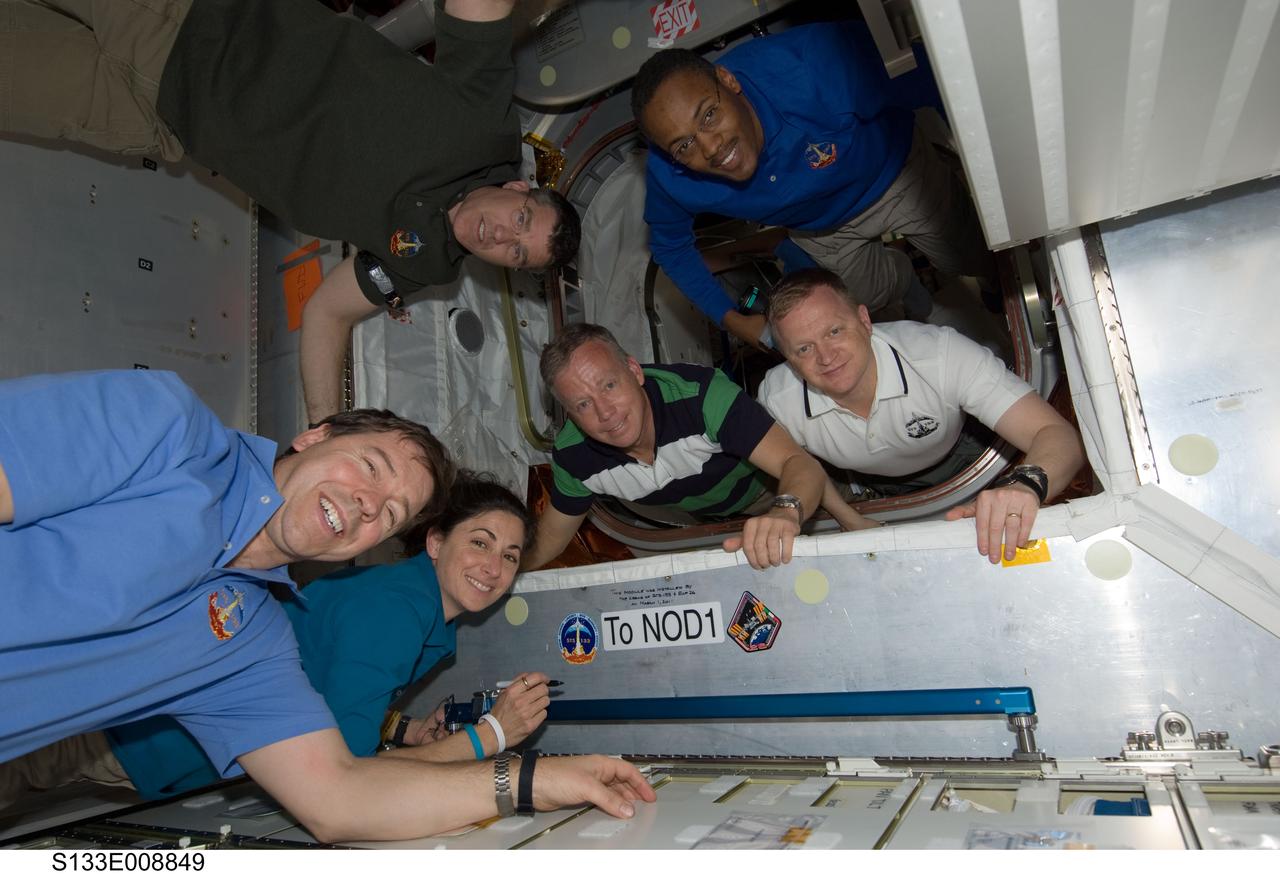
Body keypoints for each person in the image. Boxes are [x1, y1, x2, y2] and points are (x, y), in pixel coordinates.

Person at [0, 369, 654, 840]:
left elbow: (340, 791)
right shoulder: (166, 430)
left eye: (389, 511)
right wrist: (491, 737)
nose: (370, 505)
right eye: (370, 467)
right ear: (315, 436)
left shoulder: (250, 642)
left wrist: (537, 780)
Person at [0, 0, 582, 423]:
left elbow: (328, 314)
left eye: (513, 254)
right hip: (190, 20)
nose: (502, 236)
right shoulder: (482, 124)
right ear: (516, 186)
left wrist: (329, 429)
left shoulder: (426, 263)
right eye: (522, 222)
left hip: (159, 120)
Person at [16, 473, 548, 801]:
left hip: (156, 731)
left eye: (509, 555)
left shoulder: (416, 608)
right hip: (136, 734)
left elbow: (320, 682)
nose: (493, 566)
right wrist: (491, 738)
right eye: (480, 542)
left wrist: (403, 730)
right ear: (435, 541)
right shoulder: (396, 613)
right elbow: (346, 774)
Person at [631, 20, 994, 347]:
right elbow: (670, 247)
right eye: (684, 145)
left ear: (729, 81)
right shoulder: (671, 173)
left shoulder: (815, 64)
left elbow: (943, 79)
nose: (710, 148)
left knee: (970, 257)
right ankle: (904, 276)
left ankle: (994, 281)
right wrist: (731, 319)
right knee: (865, 300)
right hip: (818, 229)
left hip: (897, 175)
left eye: (709, 115)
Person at [758, 269, 1085, 563]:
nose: (826, 357)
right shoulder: (777, 399)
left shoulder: (939, 354)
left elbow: (1057, 434)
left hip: (966, 458)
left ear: (864, 321)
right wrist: (848, 518)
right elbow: (800, 464)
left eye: (834, 332)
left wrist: (1024, 485)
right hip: (874, 487)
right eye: (804, 349)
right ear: (787, 358)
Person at [523, 323, 877, 572]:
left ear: (634, 370)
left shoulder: (701, 395)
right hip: (707, 519)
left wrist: (841, 518)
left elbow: (796, 463)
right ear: (569, 415)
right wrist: (503, 573)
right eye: (583, 405)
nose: (605, 412)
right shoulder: (573, 456)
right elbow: (552, 536)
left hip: (769, 491)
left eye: (609, 385)